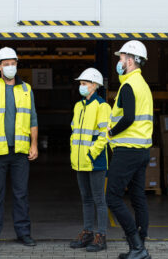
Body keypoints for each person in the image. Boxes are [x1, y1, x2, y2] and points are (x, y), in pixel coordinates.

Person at [0, 47, 39, 249]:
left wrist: (34, 144)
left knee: (21, 194)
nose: (10, 67)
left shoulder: (26, 89)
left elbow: (32, 118)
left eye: (13, 63)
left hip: (20, 152)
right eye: (6, 64)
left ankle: (23, 233)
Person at [106, 40, 153, 259]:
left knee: (112, 197)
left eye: (121, 58)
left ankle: (136, 246)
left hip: (127, 150)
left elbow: (129, 117)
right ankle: (140, 247)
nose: (119, 61)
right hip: (142, 150)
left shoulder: (128, 86)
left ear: (131, 61)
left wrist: (112, 132)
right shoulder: (142, 84)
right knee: (137, 198)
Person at [68, 68, 111, 252]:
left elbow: (104, 135)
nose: (81, 86)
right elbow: (74, 133)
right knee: (86, 199)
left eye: (84, 83)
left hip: (95, 161)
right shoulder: (78, 106)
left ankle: (101, 236)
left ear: (94, 85)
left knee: (99, 200)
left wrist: (91, 154)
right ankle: (87, 233)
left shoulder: (102, 106)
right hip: (80, 162)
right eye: (80, 83)